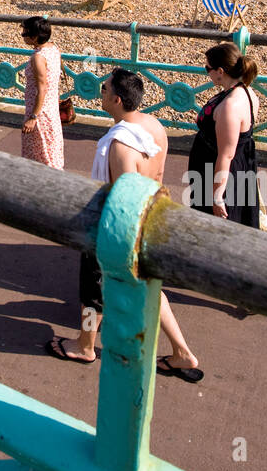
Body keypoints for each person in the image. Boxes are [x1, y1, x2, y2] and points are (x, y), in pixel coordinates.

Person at [47, 68, 203, 381]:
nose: (100, 92)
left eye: (104, 90)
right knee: (150, 287)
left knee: (92, 294)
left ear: (116, 99)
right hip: (153, 214)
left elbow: (120, 200)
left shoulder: (119, 144)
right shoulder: (154, 126)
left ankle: (85, 344)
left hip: (120, 227)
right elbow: (157, 177)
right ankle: (182, 351)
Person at [186, 44, 260, 228]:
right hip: (237, 168)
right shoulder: (247, 92)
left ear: (220, 71)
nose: (207, 73)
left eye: (207, 68)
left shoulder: (230, 106)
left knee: (217, 227)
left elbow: (226, 155)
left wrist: (217, 197)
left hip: (219, 173)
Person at [20, 17, 64, 169]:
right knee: (51, 152)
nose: (22, 36)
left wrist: (33, 117)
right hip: (51, 109)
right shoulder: (53, 49)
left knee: (40, 156)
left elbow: (42, 88)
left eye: (24, 33)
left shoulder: (38, 58)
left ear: (34, 37)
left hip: (39, 112)